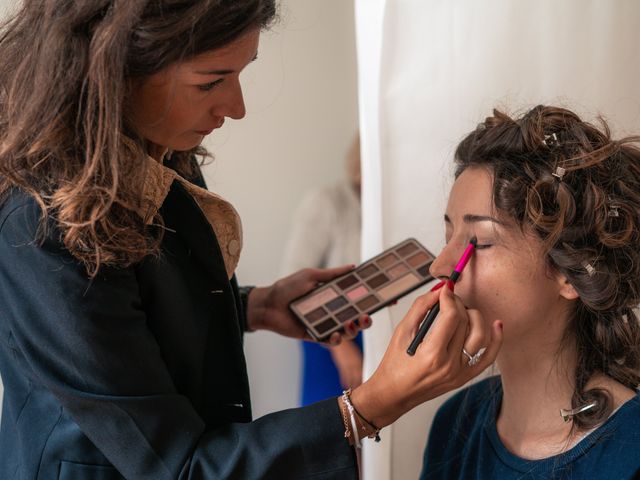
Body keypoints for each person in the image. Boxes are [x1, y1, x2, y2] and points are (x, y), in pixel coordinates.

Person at [0, 1, 502, 479]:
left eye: (242, 71)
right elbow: (183, 467)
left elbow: (123, 318)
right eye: (211, 82)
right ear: (116, 73)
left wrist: (254, 306)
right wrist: (373, 404)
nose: (236, 107)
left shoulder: (157, 150)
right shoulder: (42, 226)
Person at [420, 105, 640, 479]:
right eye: (447, 237)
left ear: (569, 274)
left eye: (480, 242)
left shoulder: (631, 452)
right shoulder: (456, 420)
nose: (440, 267)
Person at [281, 134, 364, 405]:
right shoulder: (326, 202)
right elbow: (290, 285)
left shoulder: (391, 209)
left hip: (371, 331)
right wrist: (339, 346)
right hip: (325, 333)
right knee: (330, 429)